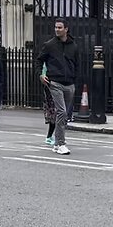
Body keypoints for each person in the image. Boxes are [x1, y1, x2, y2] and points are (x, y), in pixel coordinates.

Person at [38, 19, 82, 156]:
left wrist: (75, 79)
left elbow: (77, 63)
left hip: (69, 83)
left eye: (60, 27)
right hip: (54, 82)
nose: (57, 29)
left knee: (64, 114)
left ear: (66, 29)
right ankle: (61, 143)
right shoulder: (49, 45)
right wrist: (40, 75)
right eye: (56, 27)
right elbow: (39, 60)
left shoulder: (73, 45)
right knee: (62, 112)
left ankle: (56, 143)